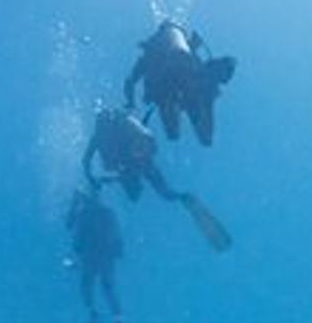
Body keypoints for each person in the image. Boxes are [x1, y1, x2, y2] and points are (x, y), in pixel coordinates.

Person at [82, 104, 234, 251]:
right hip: (135, 165)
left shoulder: (106, 133)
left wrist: (94, 179)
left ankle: (185, 197)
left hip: (139, 164)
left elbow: (87, 161)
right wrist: (96, 179)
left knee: (159, 192)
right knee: (161, 193)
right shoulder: (106, 134)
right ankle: (184, 198)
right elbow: (88, 161)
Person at [124, 21, 237, 146]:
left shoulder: (157, 53)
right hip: (176, 91)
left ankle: (204, 85)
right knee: (179, 134)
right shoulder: (174, 56)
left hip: (176, 92)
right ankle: (204, 85)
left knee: (176, 134)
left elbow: (130, 81)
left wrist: (131, 102)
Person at [66, 185, 127, 323]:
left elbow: (115, 234)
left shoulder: (100, 213)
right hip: (96, 254)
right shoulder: (90, 213)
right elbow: (71, 227)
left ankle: (111, 315)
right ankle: (106, 314)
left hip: (98, 254)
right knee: (95, 284)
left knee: (102, 284)